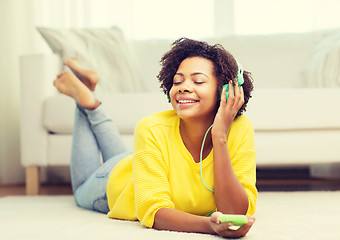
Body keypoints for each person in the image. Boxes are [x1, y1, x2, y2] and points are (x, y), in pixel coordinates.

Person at [53, 38, 257, 238]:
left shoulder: (240, 128)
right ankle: (86, 100)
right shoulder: (150, 128)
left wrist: (219, 136)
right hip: (116, 181)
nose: (183, 87)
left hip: (139, 163)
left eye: (198, 80)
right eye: (178, 81)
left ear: (225, 91)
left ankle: (89, 93)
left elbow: (237, 210)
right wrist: (208, 226)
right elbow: (153, 211)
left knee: (128, 156)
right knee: (80, 192)